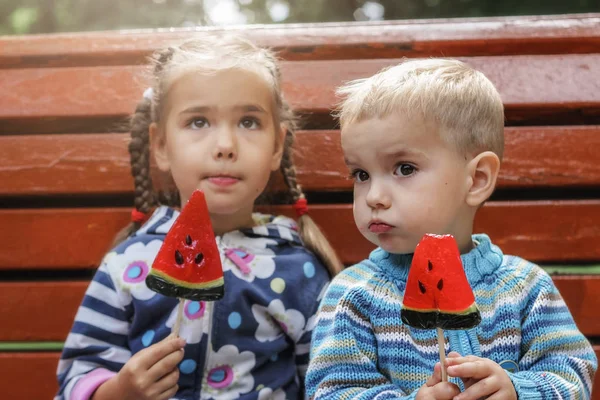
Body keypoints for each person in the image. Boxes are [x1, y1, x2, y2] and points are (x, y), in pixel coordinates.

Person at [55, 34, 342, 400]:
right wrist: (117, 392)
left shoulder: (299, 271)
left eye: (249, 122)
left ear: (276, 147)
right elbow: (79, 370)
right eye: (198, 122)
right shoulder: (127, 264)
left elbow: (327, 384)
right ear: (160, 145)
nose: (225, 145)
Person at [306, 58, 597, 400]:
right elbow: (331, 392)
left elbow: (572, 373)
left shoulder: (527, 289)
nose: (374, 196)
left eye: (404, 168)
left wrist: (520, 391)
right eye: (361, 174)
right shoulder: (352, 296)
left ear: (476, 179)